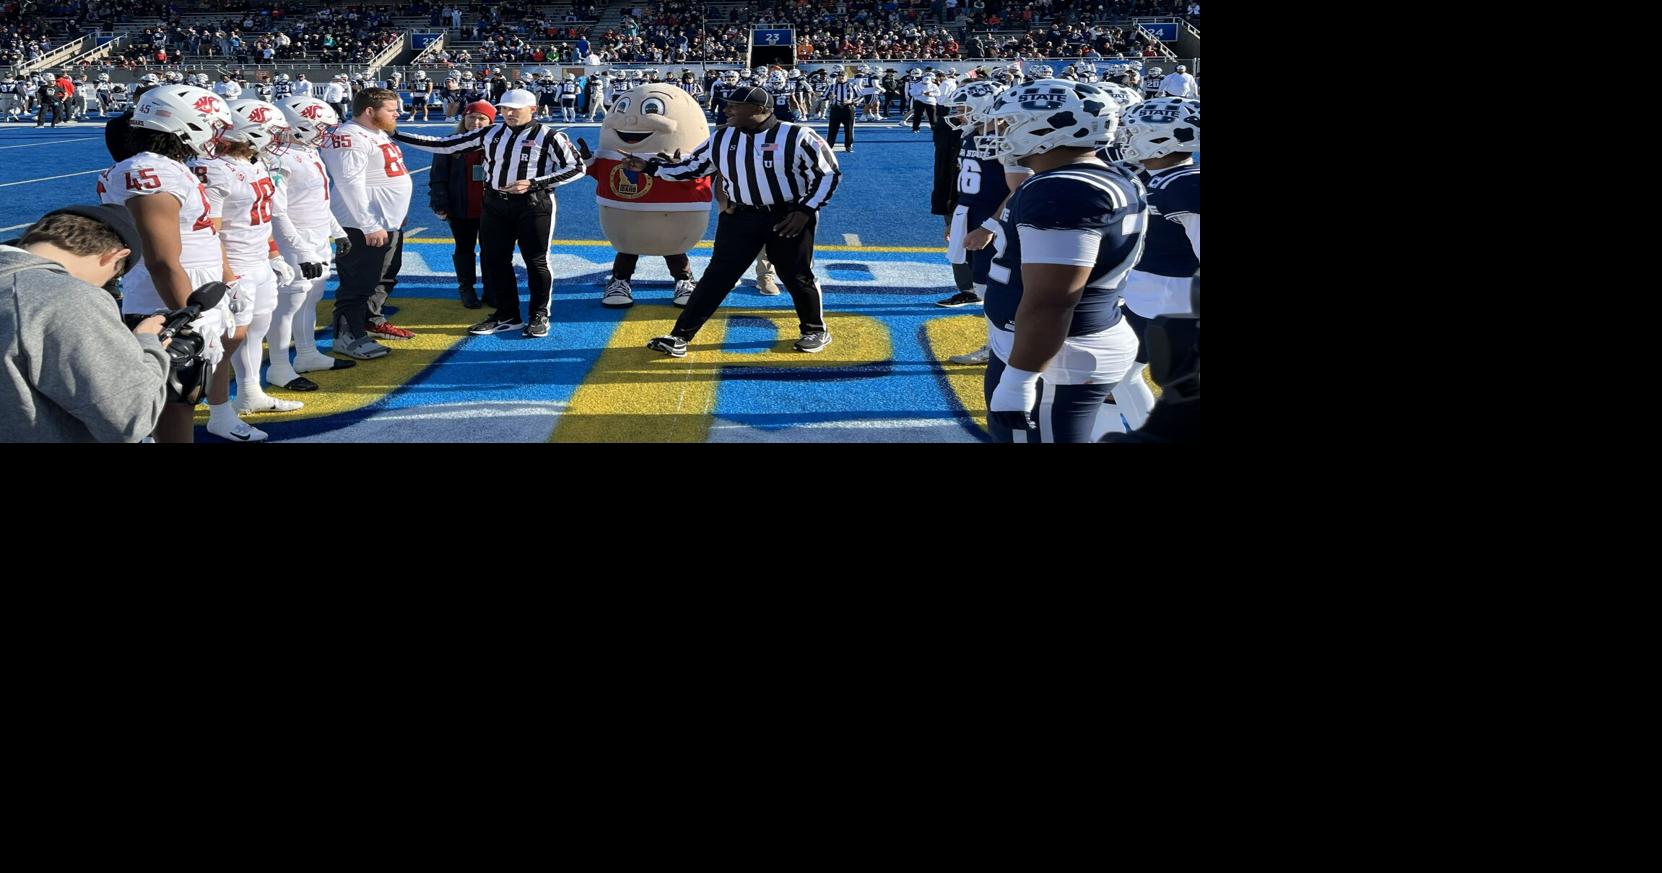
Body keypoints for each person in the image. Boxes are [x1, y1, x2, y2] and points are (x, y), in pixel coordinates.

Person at [978, 79, 1149, 444]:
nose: (1002, 131)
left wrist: (1020, 377)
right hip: (1064, 345)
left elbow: (1053, 299)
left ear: (1049, 127)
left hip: (1056, 355)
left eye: (1011, 122)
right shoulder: (1108, 174)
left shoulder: (1063, 189)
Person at [625, 85, 840, 358]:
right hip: (740, 216)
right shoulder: (723, 137)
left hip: (787, 216)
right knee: (717, 276)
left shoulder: (798, 136)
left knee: (796, 275)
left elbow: (828, 174)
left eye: (734, 106)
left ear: (760, 110)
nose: (726, 110)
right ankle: (679, 336)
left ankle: (815, 330)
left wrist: (805, 211)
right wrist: (650, 168)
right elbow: (694, 167)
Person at [97, 84, 238, 443]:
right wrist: (188, 318)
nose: (217, 134)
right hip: (164, 308)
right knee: (172, 404)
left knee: (181, 402)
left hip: (181, 299)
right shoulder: (149, 171)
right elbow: (161, 259)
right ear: (185, 122)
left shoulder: (168, 167)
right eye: (212, 124)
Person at [390, 88, 585, 339]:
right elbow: (445, 144)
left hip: (533, 204)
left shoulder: (549, 137)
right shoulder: (490, 132)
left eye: (516, 109)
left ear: (533, 110)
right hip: (494, 204)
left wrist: (535, 182)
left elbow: (576, 167)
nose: (509, 113)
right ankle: (507, 315)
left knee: (536, 261)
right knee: (494, 260)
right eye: (505, 108)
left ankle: (539, 314)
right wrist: (395, 134)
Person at [0, 205, 169, 442]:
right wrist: (150, 345)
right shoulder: (68, 298)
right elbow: (131, 419)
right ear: (115, 256)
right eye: (113, 278)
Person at [1115, 97, 1200, 430]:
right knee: (1119, 375)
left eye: (1136, 131)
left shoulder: (1184, 184)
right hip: (1149, 294)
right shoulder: (1163, 178)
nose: (1127, 137)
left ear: (1162, 139)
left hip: (1178, 299)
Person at [267, 94, 355, 391]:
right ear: (300, 125)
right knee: (288, 303)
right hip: (294, 241)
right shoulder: (278, 158)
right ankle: (279, 366)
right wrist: (300, 248)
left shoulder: (307, 151)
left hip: (315, 237)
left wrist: (337, 230)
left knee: (311, 298)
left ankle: (306, 353)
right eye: (320, 126)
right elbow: (276, 211)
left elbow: (318, 201)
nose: (325, 133)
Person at [321, 86, 415, 360]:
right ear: (369, 111)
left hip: (386, 221)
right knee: (358, 282)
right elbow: (350, 183)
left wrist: (395, 214)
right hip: (362, 225)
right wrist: (368, 223)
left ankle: (369, 320)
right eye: (391, 109)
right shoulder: (349, 136)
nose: (397, 113)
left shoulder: (375, 132)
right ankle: (346, 337)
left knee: (383, 276)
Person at [429, 101, 495, 310]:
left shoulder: (498, 143)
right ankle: (466, 288)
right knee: (464, 248)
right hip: (461, 207)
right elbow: (438, 176)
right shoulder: (450, 142)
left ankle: (491, 288)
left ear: (491, 121)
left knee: (492, 250)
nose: (476, 122)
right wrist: (440, 202)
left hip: (492, 208)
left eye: (481, 118)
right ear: (464, 119)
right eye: (471, 117)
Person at [823, 68, 858, 152]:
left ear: (846, 77)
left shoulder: (852, 86)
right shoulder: (832, 87)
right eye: (839, 76)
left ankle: (848, 145)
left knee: (849, 128)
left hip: (848, 109)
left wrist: (852, 101)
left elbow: (860, 96)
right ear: (837, 77)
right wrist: (829, 97)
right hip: (836, 109)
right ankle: (829, 145)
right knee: (832, 128)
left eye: (843, 76)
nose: (841, 78)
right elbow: (823, 97)